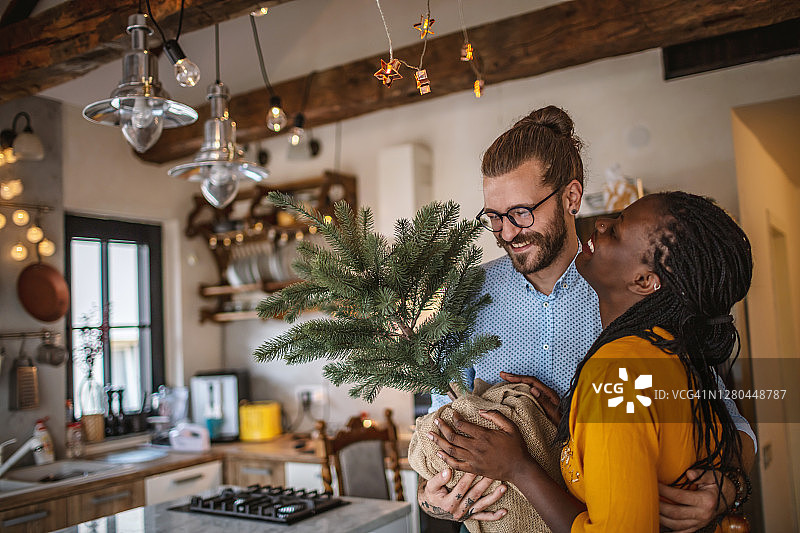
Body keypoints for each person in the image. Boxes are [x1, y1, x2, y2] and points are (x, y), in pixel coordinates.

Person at [417, 106, 756, 531]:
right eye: (494, 217)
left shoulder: (626, 295)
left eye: (521, 213)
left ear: (571, 198)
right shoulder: (466, 293)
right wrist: (432, 495)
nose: (506, 232)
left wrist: (728, 486)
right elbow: (441, 419)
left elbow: (723, 418)